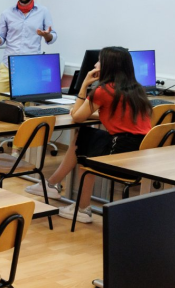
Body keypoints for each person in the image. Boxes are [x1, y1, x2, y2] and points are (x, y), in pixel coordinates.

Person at [27, 47, 152, 224]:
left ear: (108, 66)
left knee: (84, 147)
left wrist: (84, 84)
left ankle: (80, 208)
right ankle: (52, 186)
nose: (95, 64)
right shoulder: (137, 89)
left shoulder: (104, 91)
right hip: (140, 152)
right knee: (83, 137)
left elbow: (76, 116)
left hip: (121, 152)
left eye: (99, 61)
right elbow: (114, 114)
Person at [0, 0, 56, 155]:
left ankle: (17, 148)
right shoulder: (6, 13)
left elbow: (52, 38)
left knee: (22, 110)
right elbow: (1, 40)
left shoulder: (43, 12)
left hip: (29, 69)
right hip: (8, 65)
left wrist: (46, 35)